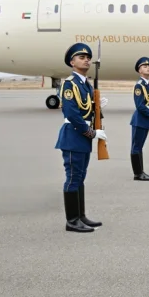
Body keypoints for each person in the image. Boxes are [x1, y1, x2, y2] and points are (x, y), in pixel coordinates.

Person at [55, 42, 108, 233]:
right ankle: (71, 220)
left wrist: (98, 107)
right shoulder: (70, 84)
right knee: (73, 178)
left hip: (82, 137)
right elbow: (71, 113)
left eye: (88, 58)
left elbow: (87, 110)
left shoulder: (85, 84)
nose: (86, 60)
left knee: (80, 177)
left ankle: (80, 215)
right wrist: (91, 133)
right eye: (81, 57)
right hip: (73, 136)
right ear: (72, 62)